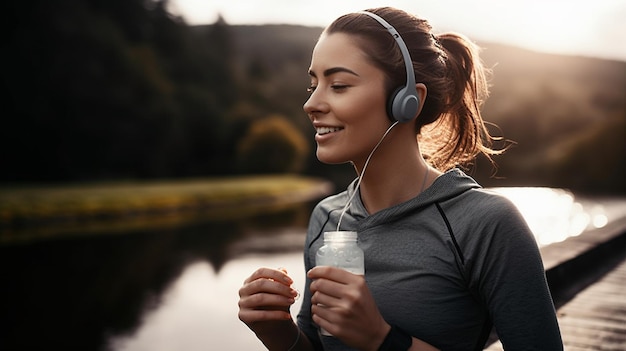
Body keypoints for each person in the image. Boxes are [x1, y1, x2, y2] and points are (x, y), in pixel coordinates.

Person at [238, 7, 563, 351]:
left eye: (338, 85)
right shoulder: (325, 218)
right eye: (313, 84)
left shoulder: (486, 224)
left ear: (407, 102)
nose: (312, 103)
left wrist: (381, 339)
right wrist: (277, 332)